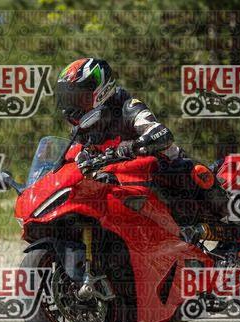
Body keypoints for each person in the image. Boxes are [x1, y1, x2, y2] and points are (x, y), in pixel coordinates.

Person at [55, 57, 230, 222]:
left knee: (197, 173)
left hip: (163, 170)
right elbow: (72, 161)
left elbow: (162, 133)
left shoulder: (128, 107)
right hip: (124, 183)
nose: (71, 107)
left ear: (101, 91)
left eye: (78, 98)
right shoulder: (82, 131)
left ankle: (233, 222)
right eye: (68, 99)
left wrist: (135, 145)